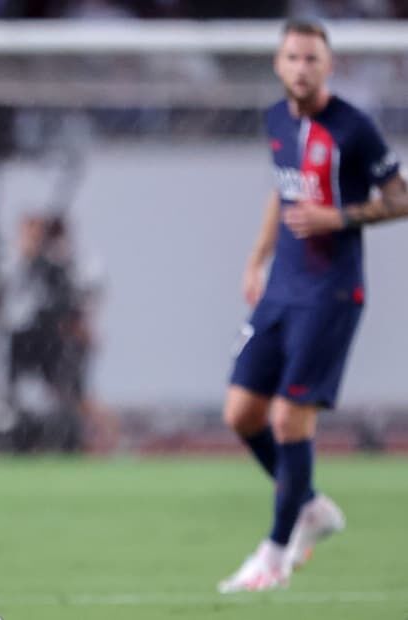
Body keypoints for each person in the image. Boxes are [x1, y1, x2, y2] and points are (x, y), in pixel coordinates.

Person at [219, 19, 408, 593]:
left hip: (330, 293)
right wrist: (256, 259)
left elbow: (400, 198)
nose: (302, 68)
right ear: (279, 65)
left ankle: (276, 554)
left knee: (287, 418)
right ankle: (309, 506)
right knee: (241, 414)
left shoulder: (354, 128)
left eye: (312, 59)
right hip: (281, 287)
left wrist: (340, 217)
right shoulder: (277, 120)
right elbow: (284, 194)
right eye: (293, 58)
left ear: (329, 66)